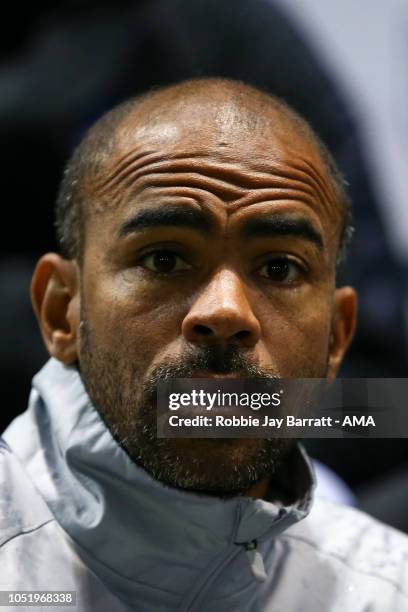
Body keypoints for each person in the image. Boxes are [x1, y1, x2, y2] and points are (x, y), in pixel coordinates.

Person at [0, 78, 406, 611]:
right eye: (164, 259)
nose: (225, 311)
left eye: (279, 268)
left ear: (337, 337)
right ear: (61, 311)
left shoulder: (387, 590)